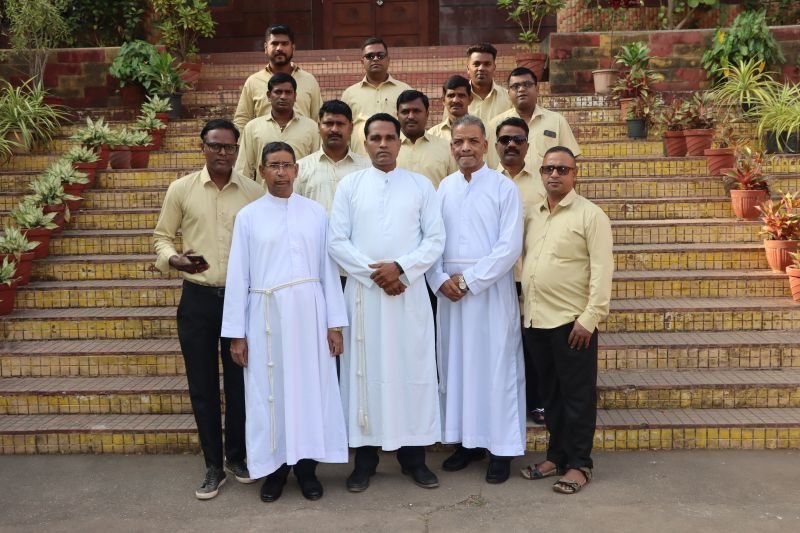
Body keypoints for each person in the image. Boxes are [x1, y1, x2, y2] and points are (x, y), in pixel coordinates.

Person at [221, 142, 349, 503]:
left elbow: (328, 271)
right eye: (274, 166)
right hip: (266, 320)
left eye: (287, 165)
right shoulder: (249, 217)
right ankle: (274, 471)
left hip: (310, 317)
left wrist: (334, 324)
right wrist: (236, 334)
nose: (281, 172)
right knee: (270, 393)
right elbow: (238, 275)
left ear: (297, 170)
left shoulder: (316, 213)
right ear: (262, 171)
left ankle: (307, 470)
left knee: (310, 390)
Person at [328, 113, 445, 492]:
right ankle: (365, 461)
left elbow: (435, 239)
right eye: (375, 138)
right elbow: (336, 241)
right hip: (364, 297)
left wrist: (402, 269)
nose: (382, 144)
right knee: (365, 374)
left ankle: (414, 459)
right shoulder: (350, 185)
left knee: (411, 372)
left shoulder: (420, 185)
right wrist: (378, 275)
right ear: (364, 143)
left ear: (399, 142)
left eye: (389, 137)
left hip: (409, 296)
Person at [153, 119, 264, 500]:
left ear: (237, 150)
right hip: (197, 299)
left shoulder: (253, 192)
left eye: (229, 146)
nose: (222, 152)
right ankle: (212, 466)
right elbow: (161, 237)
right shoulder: (181, 189)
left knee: (240, 384)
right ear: (201, 147)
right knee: (202, 386)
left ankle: (238, 457)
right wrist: (174, 259)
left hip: (241, 301)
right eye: (215, 145)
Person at [427, 115, 525, 484]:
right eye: (458, 142)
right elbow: (432, 240)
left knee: (495, 369)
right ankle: (467, 443)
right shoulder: (444, 188)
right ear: (451, 147)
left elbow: (509, 247)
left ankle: (501, 449)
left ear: (485, 145)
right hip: (450, 296)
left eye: (472, 141)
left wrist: (469, 280)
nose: (465, 148)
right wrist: (438, 279)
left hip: (489, 292)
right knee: (458, 368)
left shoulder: (503, 188)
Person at [519, 146, 613, 495]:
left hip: (572, 324)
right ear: (541, 173)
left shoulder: (591, 215)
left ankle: (579, 464)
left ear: (575, 174)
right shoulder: (533, 214)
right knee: (551, 397)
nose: (555, 174)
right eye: (549, 169)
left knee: (577, 397)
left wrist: (590, 318)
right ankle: (556, 457)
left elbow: (602, 270)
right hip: (536, 321)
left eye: (562, 169)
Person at [494, 116, 546, 425]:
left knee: (532, 341)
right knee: (499, 342)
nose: (511, 145)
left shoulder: (542, 184)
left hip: (531, 276)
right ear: (495, 145)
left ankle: (536, 402)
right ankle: (501, 400)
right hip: (496, 278)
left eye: (518, 140)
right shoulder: (487, 182)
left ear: (527, 145)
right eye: (505, 140)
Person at [487, 67, 581, 170]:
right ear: (508, 93)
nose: (521, 89)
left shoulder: (557, 121)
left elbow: (571, 161)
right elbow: (490, 163)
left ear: (537, 89)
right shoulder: (496, 124)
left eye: (527, 84)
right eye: (516, 86)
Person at [233, 24, 322, 131]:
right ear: (266, 48)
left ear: (293, 48)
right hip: (264, 140)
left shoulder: (309, 80)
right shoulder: (253, 81)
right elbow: (241, 120)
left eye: (284, 44)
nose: (279, 48)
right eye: (274, 44)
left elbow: (318, 119)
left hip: (302, 141)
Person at [235, 73, 319, 180]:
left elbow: (317, 167)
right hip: (263, 190)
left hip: (300, 190)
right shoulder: (252, 128)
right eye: (278, 92)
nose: (283, 97)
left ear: (295, 96)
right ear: (269, 96)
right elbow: (243, 171)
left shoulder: (311, 128)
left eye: (288, 92)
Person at [294, 100, 371, 213]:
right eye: (328, 123)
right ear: (319, 126)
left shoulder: (367, 168)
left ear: (351, 127)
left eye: (340, 124)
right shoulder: (301, 168)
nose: (334, 129)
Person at [341, 38, 412, 155]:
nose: (375, 59)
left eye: (380, 55)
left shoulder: (405, 91)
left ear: (388, 60)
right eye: (370, 56)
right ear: (362, 61)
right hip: (360, 159)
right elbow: (344, 128)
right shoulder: (349, 94)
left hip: (398, 159)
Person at [396, 90, 457, 189]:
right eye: (405, 112)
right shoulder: (387, 149)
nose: (411, 116)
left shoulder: (446, 148)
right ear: (397, 115)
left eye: (416, 111)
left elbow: (455, 186)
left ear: (427, 114)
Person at [466, 43, 511, 125]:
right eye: (476, 64)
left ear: (494, 68)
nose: (481, 68)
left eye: (487, 64)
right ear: (468, 68)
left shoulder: (509, 98)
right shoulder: (457, 99)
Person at [427, 75, 473, 142]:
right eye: (451, 96)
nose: (456, 100)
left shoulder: (482, 131)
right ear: (443, 100)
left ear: (470, 100)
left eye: (461, 95)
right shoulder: (432, 135)